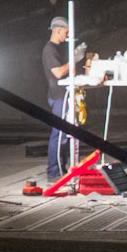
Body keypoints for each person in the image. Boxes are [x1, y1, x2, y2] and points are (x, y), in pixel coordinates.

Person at [40, 16, 86, 179]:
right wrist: (74, 61)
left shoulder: (57, 49)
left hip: (63, 95)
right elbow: (58, 72)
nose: (66, 36)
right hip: (58, 95)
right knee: (58, 134)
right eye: (65, 33)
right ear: (57, 30)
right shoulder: (50, 49)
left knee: (65, 134)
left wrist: (73, 57)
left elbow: (66, 70)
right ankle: (53, 171)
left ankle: (62, 168)